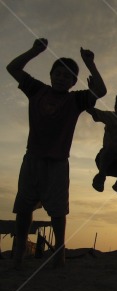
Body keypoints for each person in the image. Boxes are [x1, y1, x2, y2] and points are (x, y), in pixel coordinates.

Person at [6, 38, 107, 268]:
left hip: (59, 163)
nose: (62, 78)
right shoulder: (37, 90)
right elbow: (13, 68)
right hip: (32, 159)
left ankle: (59, 251)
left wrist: (90, 64)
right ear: (51, 75)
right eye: (58, 74)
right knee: (23, 209)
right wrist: (34, 51)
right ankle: (19, 249)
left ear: (73, 82)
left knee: (58, 211)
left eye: (68, 76)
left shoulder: (75, 100)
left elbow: (101, 90)